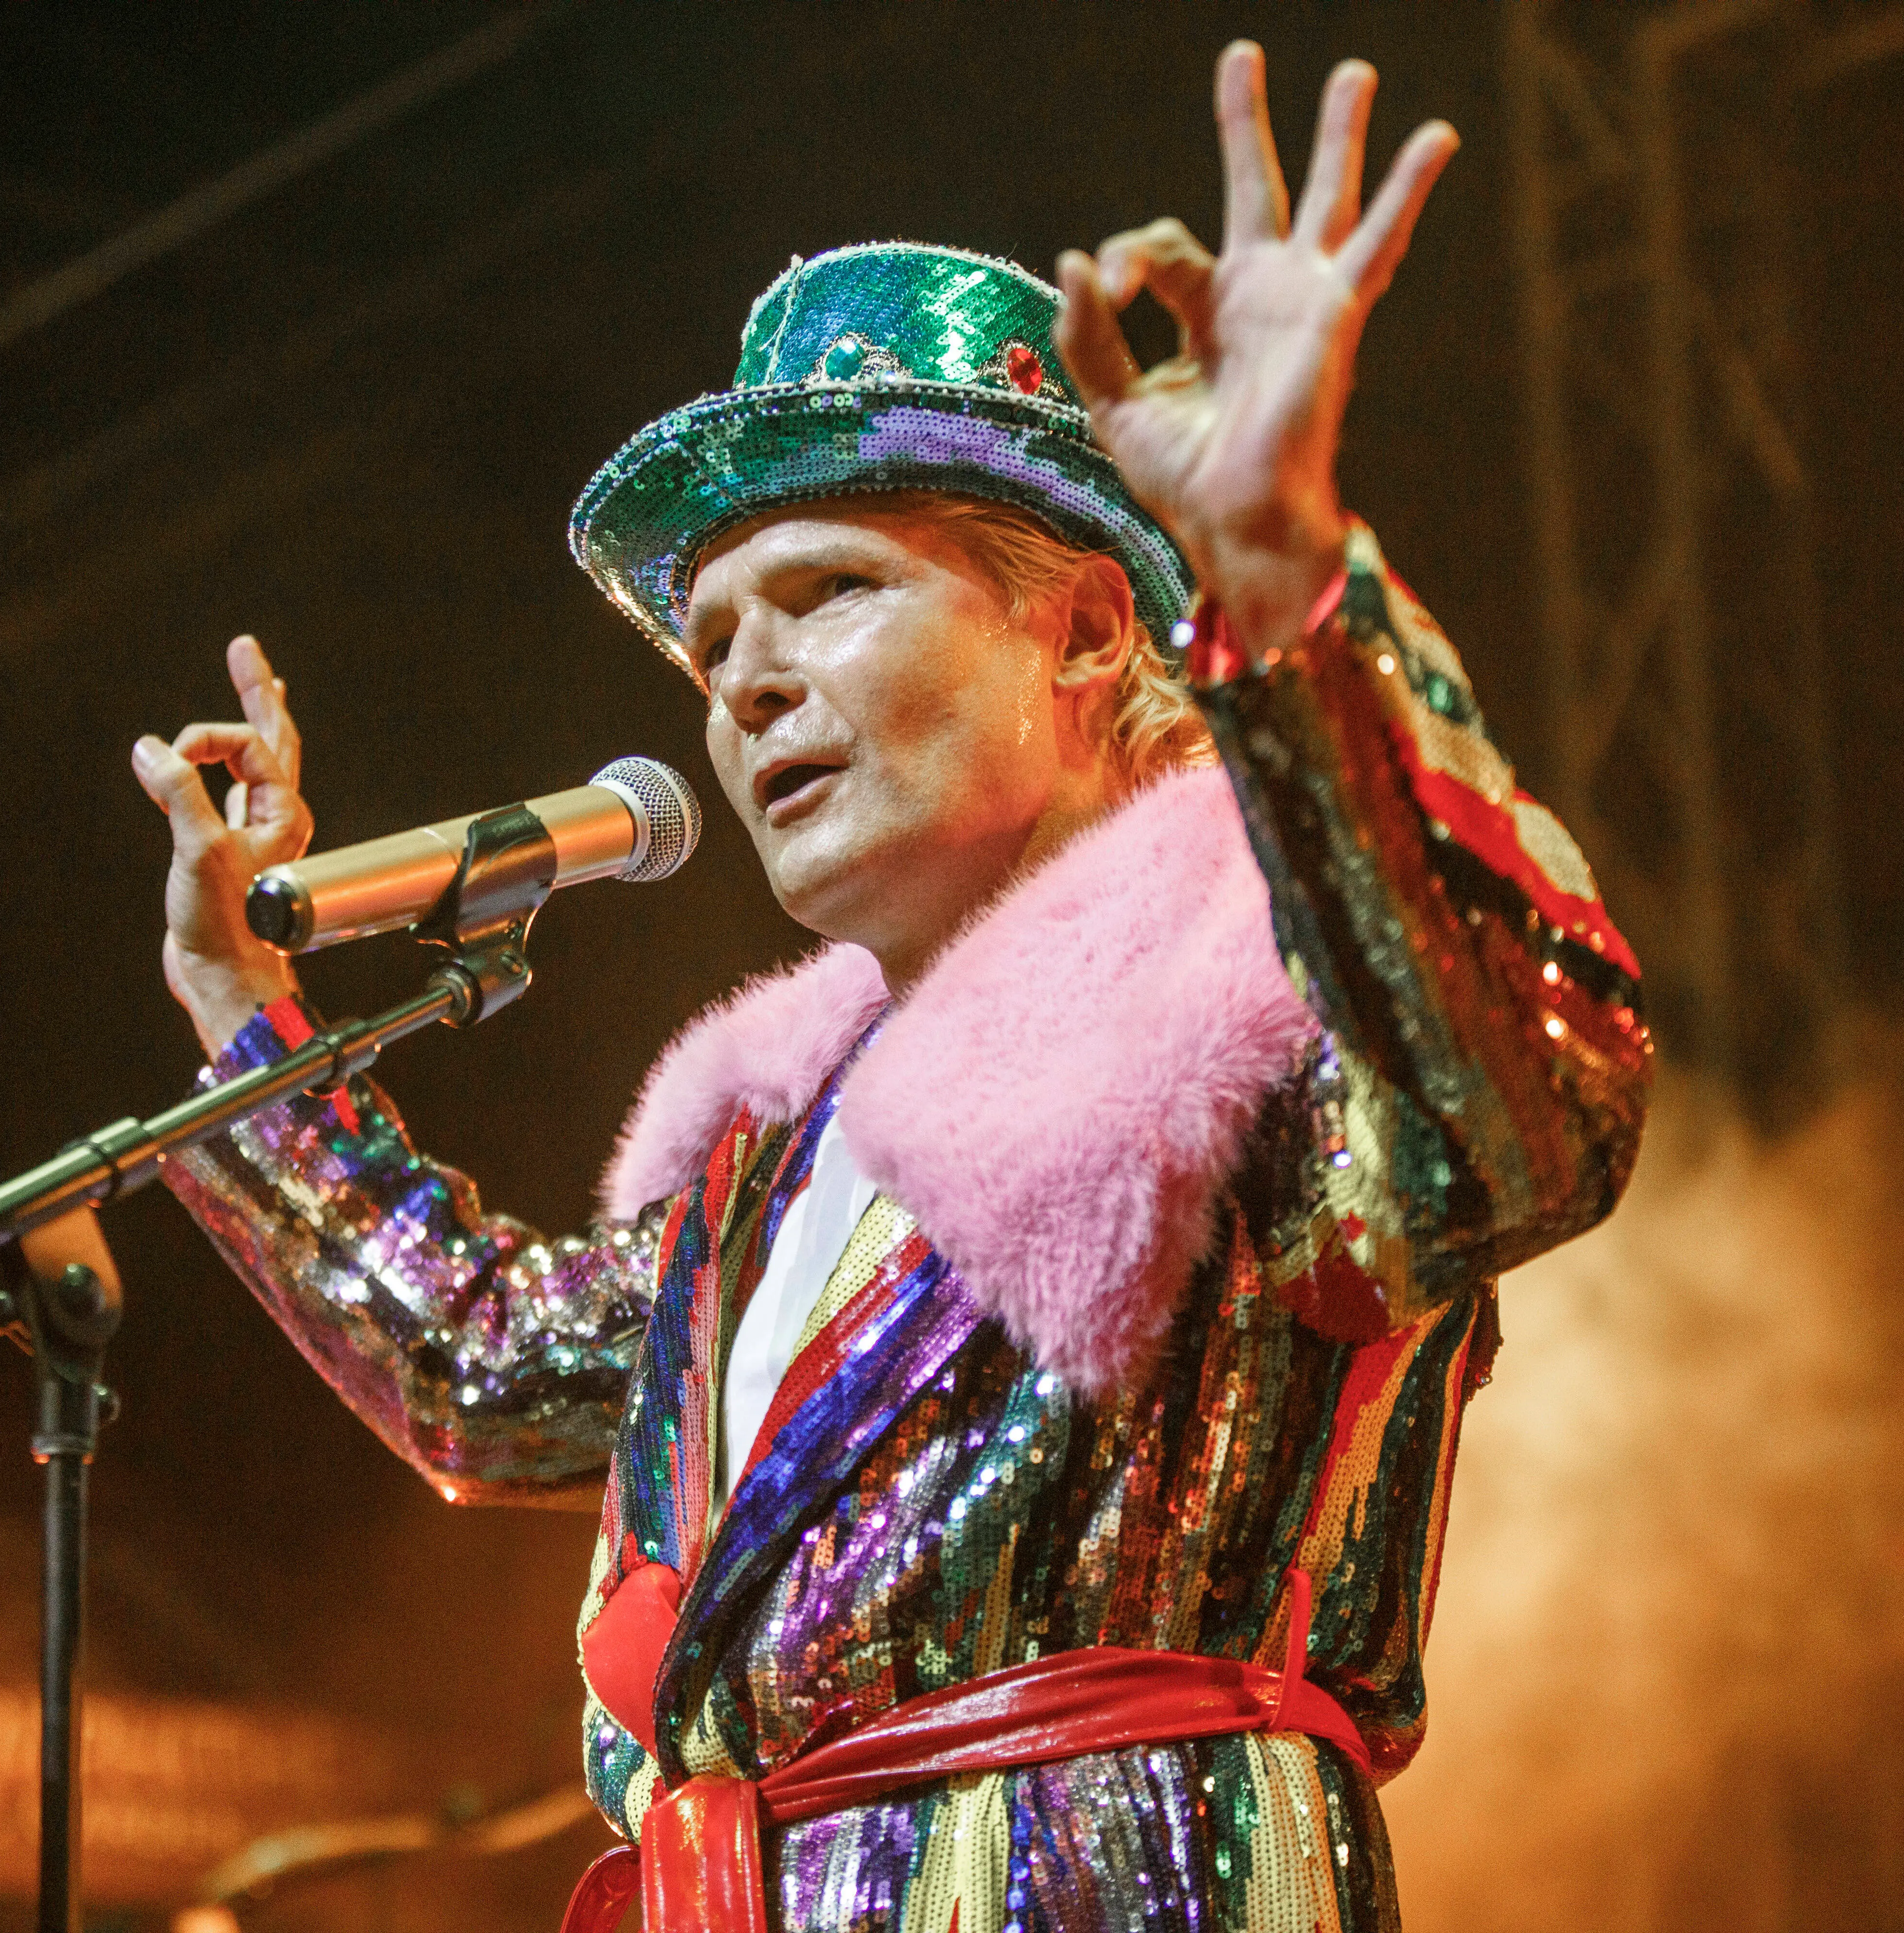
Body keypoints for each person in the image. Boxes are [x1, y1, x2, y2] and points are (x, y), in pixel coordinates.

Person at [131, 42, 1648, 1933]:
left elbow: (1529, 1090)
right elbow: (489, 1370)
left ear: (1090, 627)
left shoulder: (1253, 997)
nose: (746, 682)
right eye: (713, 642)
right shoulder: (775, 1174)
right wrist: (241, 1006)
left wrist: (1290, 587)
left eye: (832, 592)